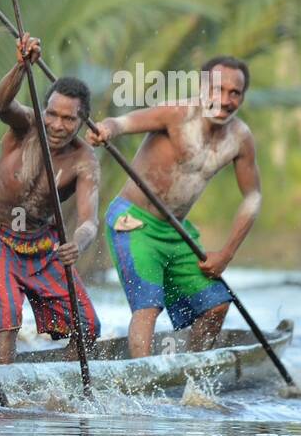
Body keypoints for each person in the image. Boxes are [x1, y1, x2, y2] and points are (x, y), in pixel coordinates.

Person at [88, 56, 259, 356]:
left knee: (217, 305)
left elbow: (252, 196)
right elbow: (122, 123)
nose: (225, 100)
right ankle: (139, 382)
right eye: (218, 89)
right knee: (148, 307)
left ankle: (192, 374)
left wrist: (227, 254)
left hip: (176, 231)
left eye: (235, 93)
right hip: (133, 222)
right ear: (201, 86)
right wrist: (105, 129)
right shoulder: (177, 113)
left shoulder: (240, 138)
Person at [0, 34, 101, 363]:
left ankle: (60, 387)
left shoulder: (84, 160)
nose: (57, 125)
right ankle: (3, 402)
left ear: (83, 121)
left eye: (69, 119)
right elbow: (1, 104)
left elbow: (88, 221)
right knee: (8, 317)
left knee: (88, 326)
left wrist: (77, 245)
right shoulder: (27, 125)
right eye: (52, 114)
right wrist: (22, 67)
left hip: (42, 245)